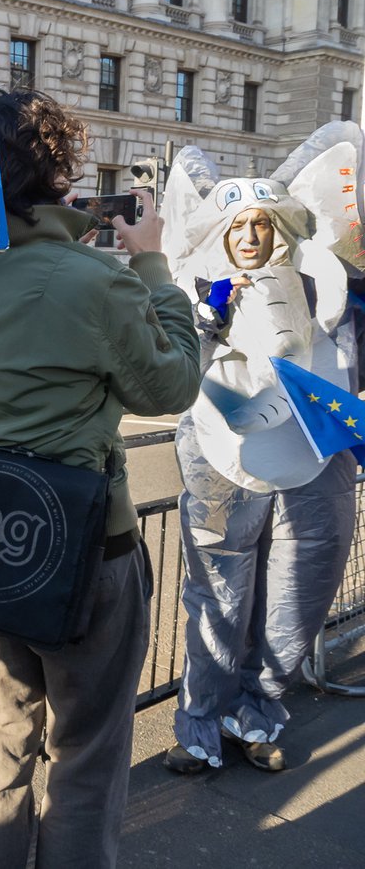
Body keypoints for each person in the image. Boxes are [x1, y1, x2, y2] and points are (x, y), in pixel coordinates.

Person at [0, 88, 200, 868]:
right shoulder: (93, 280)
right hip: (84, 548)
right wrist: (151, 260)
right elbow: (170, 389)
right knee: (88, 753)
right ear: (57, 170)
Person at [159, 126, 365, 775]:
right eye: (238, 225)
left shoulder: (333, 286)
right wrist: (207, 318)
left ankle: (259, 710)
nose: (250, 236)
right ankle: (201, 720)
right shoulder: (198, 293)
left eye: (263, 224)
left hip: (318, 456)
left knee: (299, 592)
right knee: (217, 597)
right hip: (222, 463)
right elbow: (165, 365)